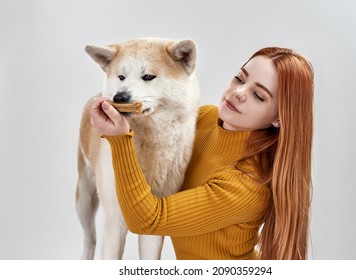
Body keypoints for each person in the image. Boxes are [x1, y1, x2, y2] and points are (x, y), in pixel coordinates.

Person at [89, 47, 314, 260]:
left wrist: (119, 139)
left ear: (279, 118)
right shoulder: (205, 118)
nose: (238, 93)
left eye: (258, 95)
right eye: (240, 78)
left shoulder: (245, 184)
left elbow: (147, 220)